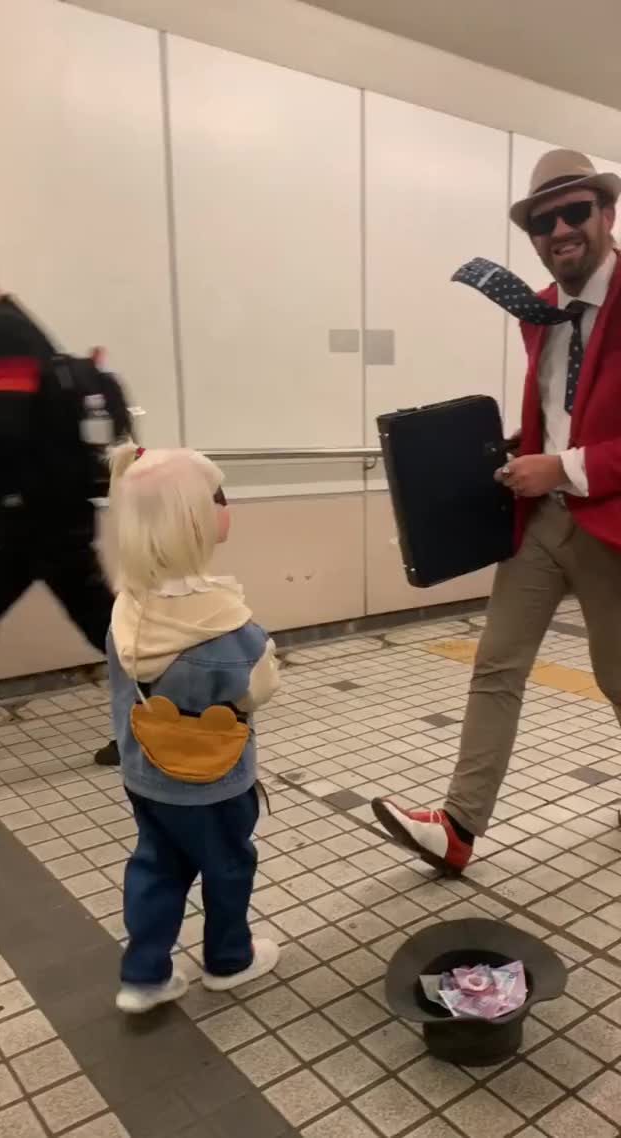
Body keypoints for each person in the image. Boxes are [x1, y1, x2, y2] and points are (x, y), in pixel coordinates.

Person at [373, 149, 621, 874]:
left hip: (612, 525)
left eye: (576, 212)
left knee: (616, 675)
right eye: (545, 221)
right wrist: (516, 452)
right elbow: (562, 413)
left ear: (607, 214)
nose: (561, 229)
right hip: (543, 519)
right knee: (497, 664)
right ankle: (457, 825)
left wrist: (568, 466)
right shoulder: (538, 312)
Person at [107, 442, 280, 1013]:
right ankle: (229, 959)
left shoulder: (127, 608)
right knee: (228, 865)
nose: (225, 506)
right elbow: (259, 689)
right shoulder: (225, 626)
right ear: (194, 521)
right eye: (218, 497)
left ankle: (145, 975)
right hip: (217, 786)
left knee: (157, 864)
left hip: (145, 777)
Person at [0, 241, 119, 767]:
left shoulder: (3, 331)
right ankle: (173, 711)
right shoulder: (9, 327)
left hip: (33, 521)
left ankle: (177, 711)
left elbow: (2, 429)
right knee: (107, 626)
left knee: (109, 627)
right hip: (41, 518)